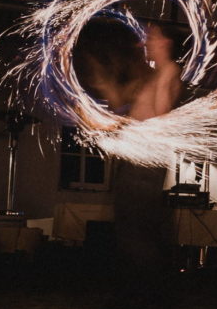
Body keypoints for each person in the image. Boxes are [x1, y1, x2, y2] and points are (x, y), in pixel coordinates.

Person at [74, 18, 183, 292]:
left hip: (146, 159)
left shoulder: (170, 70)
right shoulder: (152, 74)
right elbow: (121, 104)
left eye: (151, 37)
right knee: (128, 226)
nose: (143, 42)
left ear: (166, 43)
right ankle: (135, 291)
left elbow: (160, 115)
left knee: (138, 230)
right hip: (136, 158)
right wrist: (101, 79)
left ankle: (151, 294)